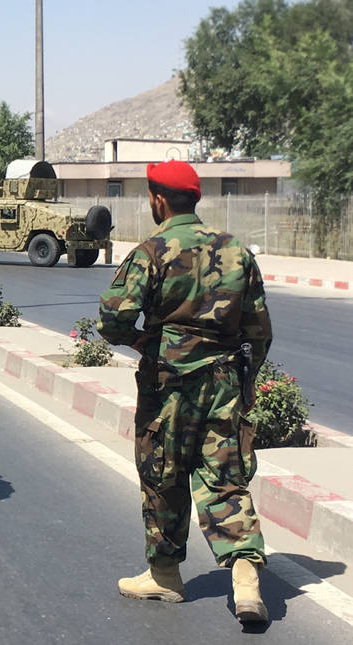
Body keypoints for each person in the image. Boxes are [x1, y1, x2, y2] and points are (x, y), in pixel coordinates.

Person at [98, 160, 272, 624]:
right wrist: (247, 381)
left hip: (168, 385)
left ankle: (166, 576)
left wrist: (139, 341)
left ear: (158, 200)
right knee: (225, 474)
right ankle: (246, 578)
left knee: (162, 473)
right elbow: (260, 330)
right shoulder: (236, 251)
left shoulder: (151, 251)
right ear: (194, 199)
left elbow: (112, 319)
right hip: (223, 383)